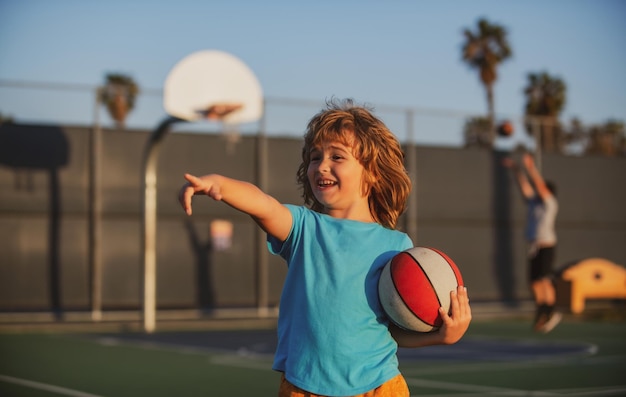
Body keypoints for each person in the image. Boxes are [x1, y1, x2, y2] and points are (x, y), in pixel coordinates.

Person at [179, 98, 472, 397]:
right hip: (305, 387)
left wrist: (439, 336)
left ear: (372, 172)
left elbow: (393, 329)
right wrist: (220, 185)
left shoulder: (396, 247)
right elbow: (263, 205)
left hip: (378, 387)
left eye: (337, 157)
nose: (322, 166)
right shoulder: (304, 228)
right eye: (315, 157)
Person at [503, 153, 561, 333]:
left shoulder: (550, 203)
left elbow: (539, 186)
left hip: (546, 246)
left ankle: (550, 312)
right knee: (534, 283)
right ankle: (542, 310)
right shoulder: (534, 203)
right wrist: (516, 169)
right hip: (534, 248)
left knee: (543, 280)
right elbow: (525, 188)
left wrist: (531, 167)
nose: (537, 191)